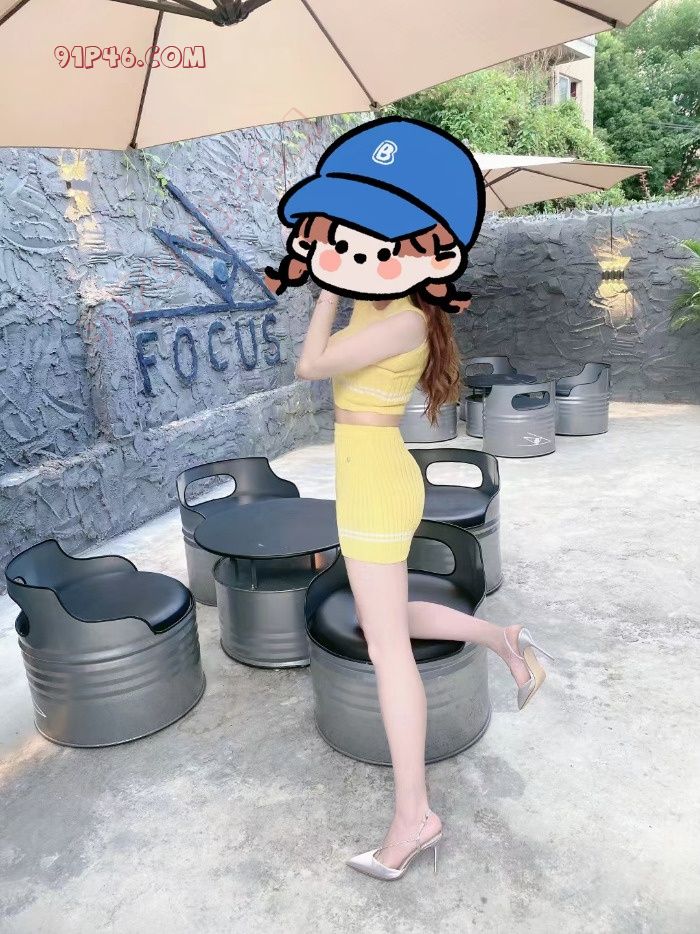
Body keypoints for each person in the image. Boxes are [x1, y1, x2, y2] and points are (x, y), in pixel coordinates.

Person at [265, 117, 554, 881]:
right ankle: (499, 638)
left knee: (386, 649)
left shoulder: (399, 321)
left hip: (375, 483)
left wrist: (323, 292)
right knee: (380, 619)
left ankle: (413, 817)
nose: (357, 251)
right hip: (369, 474)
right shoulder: (385, 304)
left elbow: (310, 364)